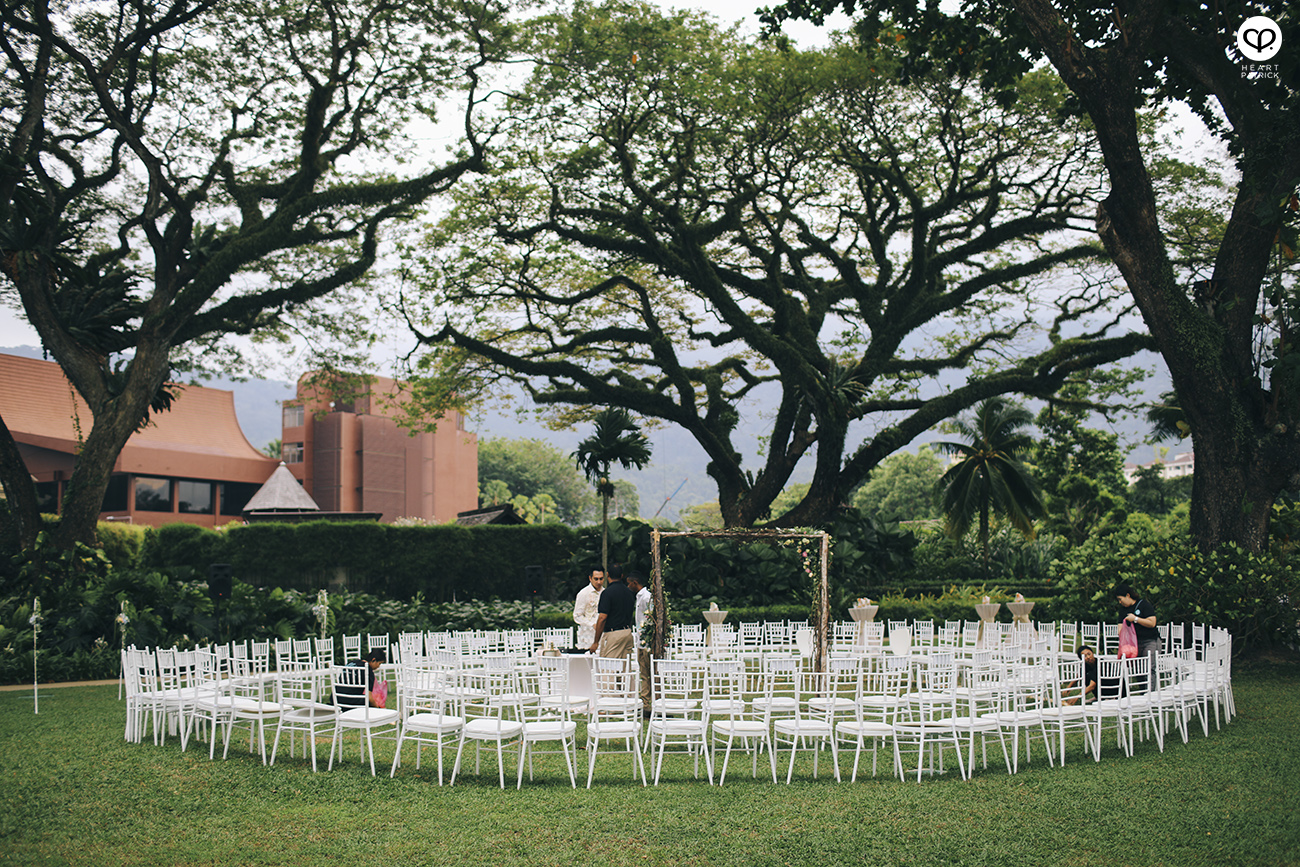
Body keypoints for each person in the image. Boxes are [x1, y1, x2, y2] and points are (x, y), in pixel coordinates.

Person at [1116, 584, 1159, 688]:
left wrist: (1136, 619)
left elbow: (1152, 622)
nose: (1120, 602)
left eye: (1120, 599)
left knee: (1149, 667)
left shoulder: (1143, 605)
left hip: (1150, 640)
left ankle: (1151, 693)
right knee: (1138, 669)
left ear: (1127, 595)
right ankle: (1142, 693)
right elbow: (1120, 629)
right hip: (1134, 644)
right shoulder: (1122, 610)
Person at [589, 563, 636, 659]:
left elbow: (602, 618)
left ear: (607, 575)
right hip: (627, 632)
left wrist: (596, 641)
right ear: (622, 576)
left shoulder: (607, 593)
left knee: (610, 667)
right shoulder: (630, 593)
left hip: (613, 634)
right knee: (625, 668)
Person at [627, 570, 652, 716]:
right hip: (641, 641)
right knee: (644, 674)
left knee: (646, 674)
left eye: (629, 583)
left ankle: (647, 702)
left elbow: (649, 618)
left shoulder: (646, 597)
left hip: (646, 643)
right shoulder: (639, 596)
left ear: (635, 583)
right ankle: (646, 702)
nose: (628, 586)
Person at [574, 568, 604, 649]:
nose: (599, 582)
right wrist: (592, 624)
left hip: (603, 635)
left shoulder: (605, 593)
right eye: (596, 579)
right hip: (587, 636)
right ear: (590, 578)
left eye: (601, 579)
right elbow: (577, 616)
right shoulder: (583, 593)